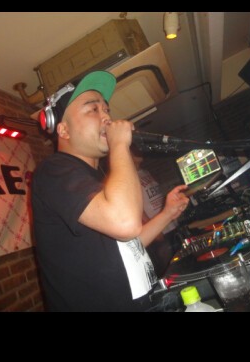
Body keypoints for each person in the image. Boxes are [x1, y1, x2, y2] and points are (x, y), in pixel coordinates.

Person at [31, 71, 189, 312]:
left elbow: (128, 246)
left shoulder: (98, 179)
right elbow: (125, 224)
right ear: (63, 130)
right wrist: (119, 144)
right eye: (93, 109)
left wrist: (168, 213)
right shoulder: (54, 171)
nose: (106, 117)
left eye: (106, 109)